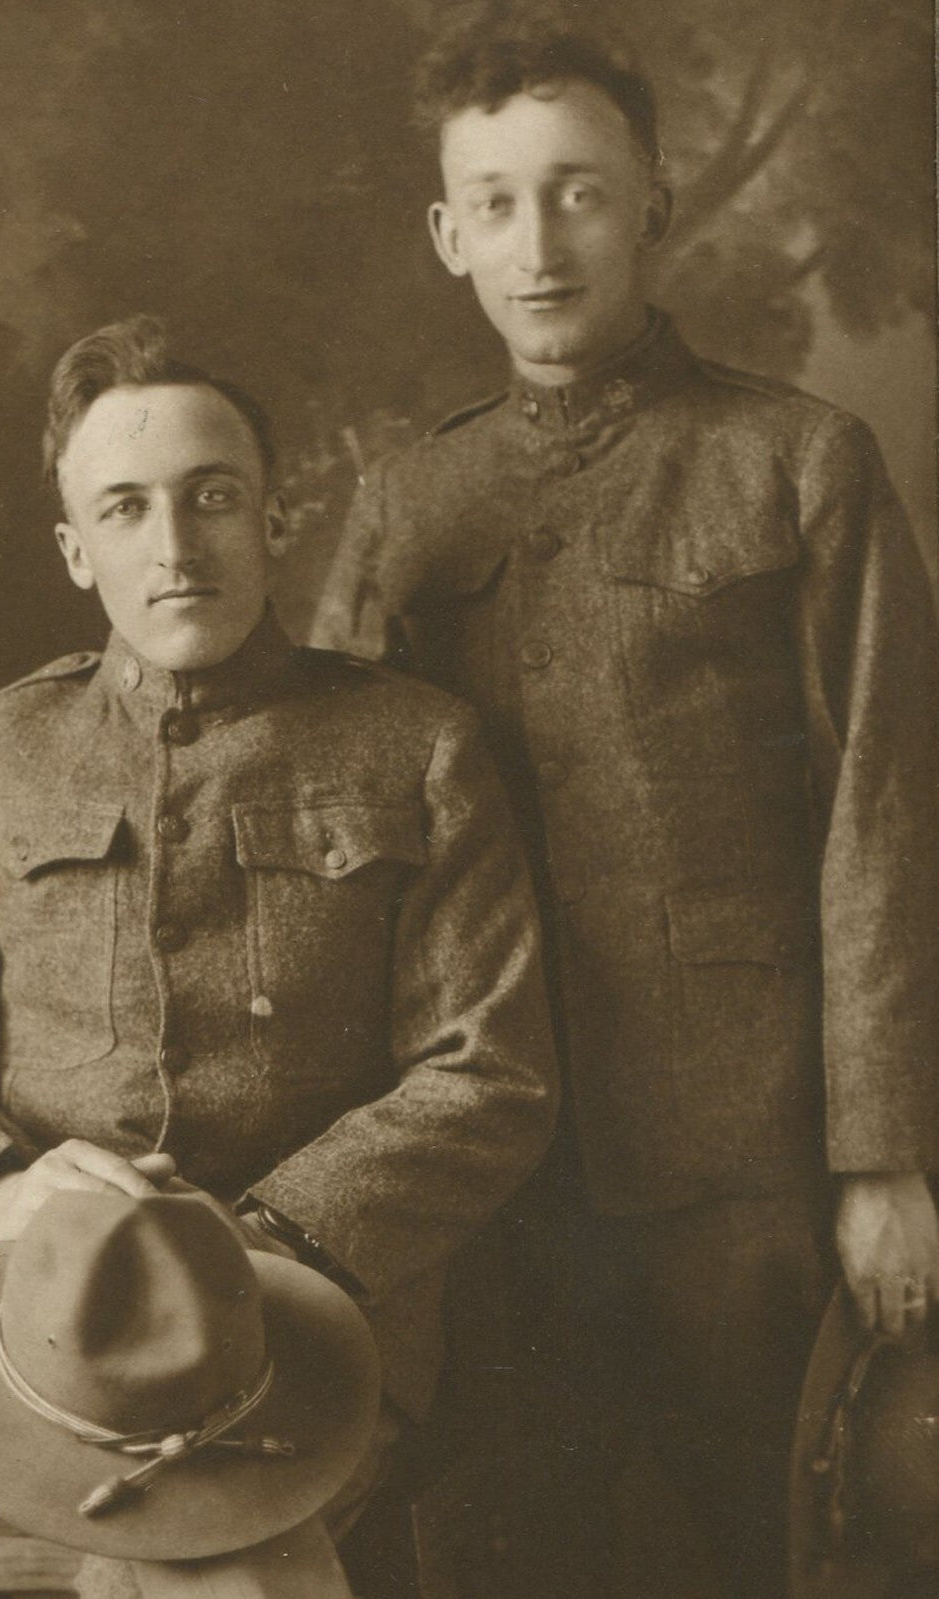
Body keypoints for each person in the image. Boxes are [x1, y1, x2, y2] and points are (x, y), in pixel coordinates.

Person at [312, 4, 939, 1594]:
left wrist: (879, 1157)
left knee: (769, 1549)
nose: (544, 240)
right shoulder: (406, 506)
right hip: (489, 1178)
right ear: (447, 233)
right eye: (501, 200)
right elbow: (337, 840)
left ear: (651, 203)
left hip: (746, 1163)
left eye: (581, 189)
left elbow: (887, 813)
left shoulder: (797, 460)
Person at [0, 314, 558, 1597]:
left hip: (320, 1311)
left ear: (274, 517)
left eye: (212, 499)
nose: (177, 545)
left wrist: (246, 1252)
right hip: (46, 1318)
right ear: (76, 551)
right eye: (128, 509)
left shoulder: (413, 746)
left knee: (232, 1559)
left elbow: (490, 1073)